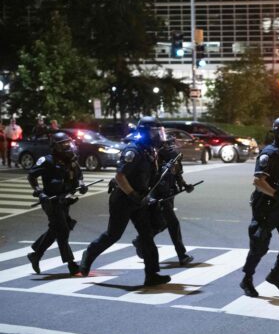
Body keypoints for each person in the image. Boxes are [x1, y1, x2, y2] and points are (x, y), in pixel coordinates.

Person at [79, 116, 171, 287]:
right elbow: (120, 177)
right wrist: (132, 194)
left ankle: (152, 275)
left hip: (139, 199)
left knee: (147, 237)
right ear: (145, 132)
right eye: (155, 132)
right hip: (123, 199)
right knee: (113, 235)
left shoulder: (150, 151)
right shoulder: (133, 151)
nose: (159, 135)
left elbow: (150, 177)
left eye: (160, 132)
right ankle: (87, 257)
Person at [239, 116, 279, 298]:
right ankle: (247, 279)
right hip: (266, 206)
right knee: (260, 245)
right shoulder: (270, 153)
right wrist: (277, 194)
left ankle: (276, 273)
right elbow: (258, 182)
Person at [26, 132, 86, 275]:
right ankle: (71, 265)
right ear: (56, 146)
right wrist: (39, 192)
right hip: (51, 201)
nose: (68, 146)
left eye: (68, 143)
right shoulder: (46, 161)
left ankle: (36, 254)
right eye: (64, 144)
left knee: (56, 229)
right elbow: (31, 176)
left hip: (65, 200)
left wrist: (82, 185)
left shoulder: (71, 160)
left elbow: (79, 175)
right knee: (62, 231)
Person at [132, 136, 195, 265]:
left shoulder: (175, 159)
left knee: (162, 224)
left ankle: (141, 240)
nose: (172, 147)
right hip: (160, 197)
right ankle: (182, 255)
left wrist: (185, 186)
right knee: (173, 224)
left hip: (169, 195)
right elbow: (154, 179)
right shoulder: (157, 160)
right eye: (169, 144)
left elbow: (178, 175)